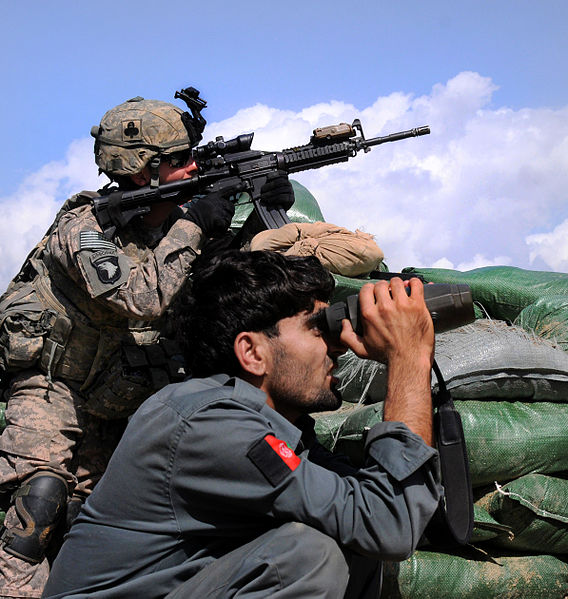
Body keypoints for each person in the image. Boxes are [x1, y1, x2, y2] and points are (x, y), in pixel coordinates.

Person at [0, 90, 294, 599]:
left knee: (89, 519)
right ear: (140, 171)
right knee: (39, 502)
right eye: (178, 161)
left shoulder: (176, 228)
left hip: (119, 396)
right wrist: (194, 222)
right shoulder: (84, 228)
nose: (192, 167)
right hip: (52, 385)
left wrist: (255, 212)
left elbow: (208, 291)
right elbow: (142, 298)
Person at [43, 249, 442, 599]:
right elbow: (390, 522)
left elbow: (372, 512)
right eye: (316, 327)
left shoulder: (268, 424)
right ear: (252, 352)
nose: (337, 343)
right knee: (307, 555)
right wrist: (408, 359)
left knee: (353, 543)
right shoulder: (211, 426)